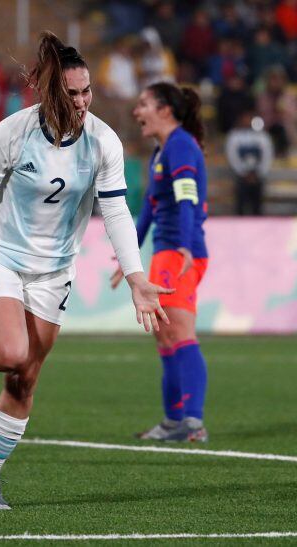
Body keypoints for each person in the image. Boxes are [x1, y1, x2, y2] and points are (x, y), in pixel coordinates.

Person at [0, 31, 171, 511]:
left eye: (87, 91)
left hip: (53, 271)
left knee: (24, 379)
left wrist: (136, 277)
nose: (82, 102)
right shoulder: (11, 133)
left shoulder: (104, 142)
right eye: (72, 92)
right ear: (48, 92)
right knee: (7, 354)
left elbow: (117, 212)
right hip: (0, 256)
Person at [111, 82, 210, 443]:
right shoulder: (162, 151)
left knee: (179, 333)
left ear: (165, 110)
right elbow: (151, 209)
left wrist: (184, 246)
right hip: (166, 253)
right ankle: (173, 421)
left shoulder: (181, 144)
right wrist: (128, 257)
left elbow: (188, 198)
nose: (137, 112)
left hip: (180, 253)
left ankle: (193, 423)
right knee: (165, 337)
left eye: (143, 105)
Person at [225, 110, 273, 216]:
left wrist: (258, 172)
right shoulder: (234, 136)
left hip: (258, 176)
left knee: (257, 207)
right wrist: (243, 172)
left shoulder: (262, 136)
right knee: (240, 206)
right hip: (241, 176)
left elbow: (267, 156)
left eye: (249, 118)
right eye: (244, 118)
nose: (246, 121)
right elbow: (232, 156)